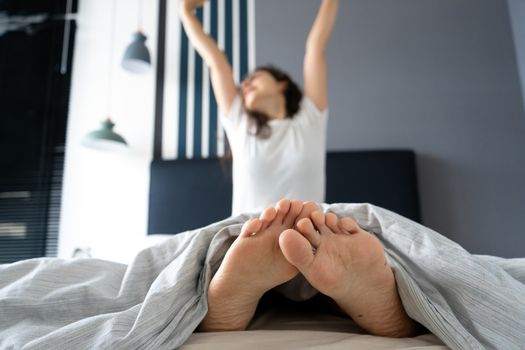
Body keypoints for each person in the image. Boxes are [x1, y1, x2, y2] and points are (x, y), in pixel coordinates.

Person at [179, 0, 338, 216]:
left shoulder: (310, 120)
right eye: (244, 83)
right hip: (248, 239)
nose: (244, 85)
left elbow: (315, 48)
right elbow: (216, 61)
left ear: (282, 84)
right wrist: (186, 12)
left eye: (254, 77)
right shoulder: (240, 123)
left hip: (306, 240)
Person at [200, 199, 421, 338]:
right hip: (319, 233)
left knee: (332, 275)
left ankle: (220, 304)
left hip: (263, 231)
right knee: (332, 282)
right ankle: (375, 303)